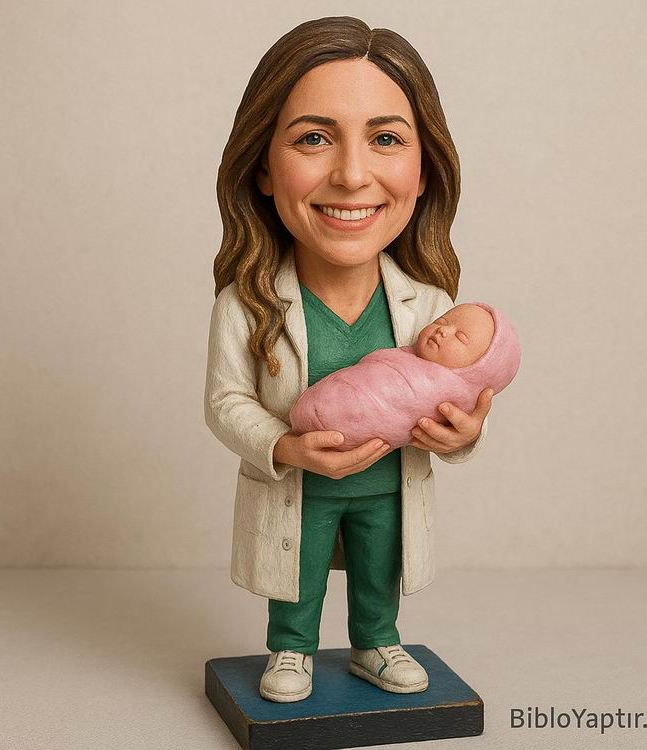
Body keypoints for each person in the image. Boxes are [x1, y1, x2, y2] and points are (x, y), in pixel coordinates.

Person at [204, 16, 495, 704]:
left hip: (387, 488)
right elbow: (224, 402)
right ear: (263, 168)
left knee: (377, 564)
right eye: (313, 138)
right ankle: (292, 648)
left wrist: (462, 436)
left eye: (386, 139)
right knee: (298, 568)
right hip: (298, 488)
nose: (352, 174)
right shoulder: (248, 304)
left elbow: (459, 395)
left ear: (424, 171)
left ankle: (375, 641)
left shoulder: (430, 307)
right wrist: (285, 446)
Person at [289, 302, 521, 452]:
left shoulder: (430, 299)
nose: (443, 330)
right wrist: (282, 449)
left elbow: (465, 417)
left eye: (460, 338)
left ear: (476, 370)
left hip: (389, 494)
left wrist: (467, 434)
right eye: (441, 321)